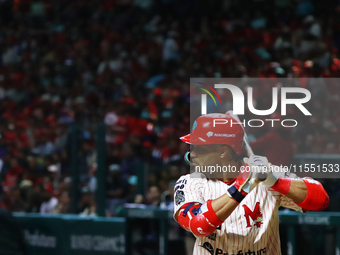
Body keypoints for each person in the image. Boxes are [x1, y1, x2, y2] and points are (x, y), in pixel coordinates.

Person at [173, 113, 329, 255]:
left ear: (223, 152)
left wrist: (276, 182)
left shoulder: (267, 174)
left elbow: (321, 200)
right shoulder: (190, 182)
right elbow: (198, 225)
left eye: (199, 148)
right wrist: (242, 189)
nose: (191, 154)